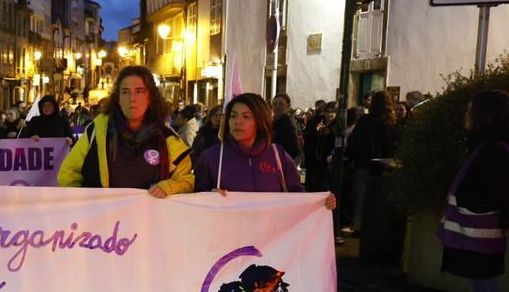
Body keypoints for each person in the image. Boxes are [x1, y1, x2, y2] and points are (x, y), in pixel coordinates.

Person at [440, 90, 509, 292]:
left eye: (471, 109)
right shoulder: (488, 146)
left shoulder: (494, 150)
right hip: (478, 240)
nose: (466, 114)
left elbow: (494, 195)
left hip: (481, 240)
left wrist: (469, 202)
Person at [57, 66, 193, 197]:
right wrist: (84, 205)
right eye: (125, 92)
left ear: (150, 97)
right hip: (106, 220)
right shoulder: (96, 132)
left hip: (150, 219)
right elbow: (68, 173)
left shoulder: (167, 139)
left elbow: (187, 181)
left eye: (139, 91)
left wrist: (168, 187)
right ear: (118, 99)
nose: (131, 98)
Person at [195, 93, 337, 209]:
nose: (237, 121)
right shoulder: (212, 158)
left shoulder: (278, 156)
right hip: (228, 240)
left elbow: (297, 195)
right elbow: (195, 204)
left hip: (271, 239)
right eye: (233, 116)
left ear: (260, 121)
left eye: (246, 116)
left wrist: (321, 203)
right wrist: (207, 198)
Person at [345, 90, 398, 233]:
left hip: (365, 166)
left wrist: (350, 157)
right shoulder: (392, 122)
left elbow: (354, 142)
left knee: (361, 198)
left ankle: (359, 227)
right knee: (380, 199)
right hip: (386, 168)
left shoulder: (365, 120)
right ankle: (378, 228)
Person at [270, 93, 301, 161]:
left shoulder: (288, 124)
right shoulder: (273, 123)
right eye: (275, 104)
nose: (277, 107)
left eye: (281, 104)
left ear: (288, 106)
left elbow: (292, 151)